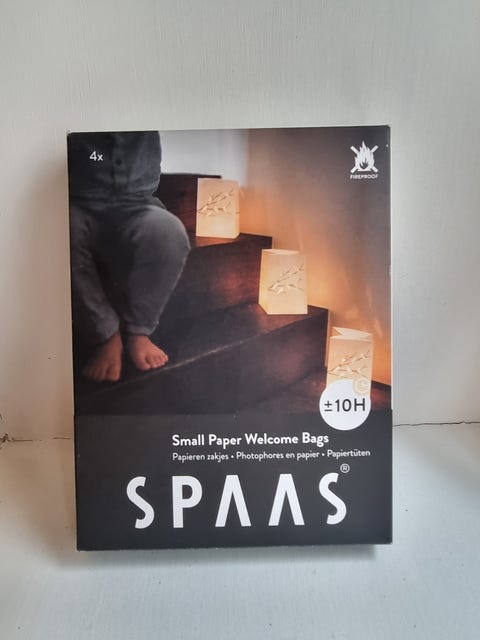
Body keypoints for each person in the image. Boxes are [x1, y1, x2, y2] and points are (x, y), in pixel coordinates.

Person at [68, 131, 190, 383]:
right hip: (75, 202)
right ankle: (106, 334)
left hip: (138, 202)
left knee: (168, 232)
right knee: (63, 231)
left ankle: (138, 330)